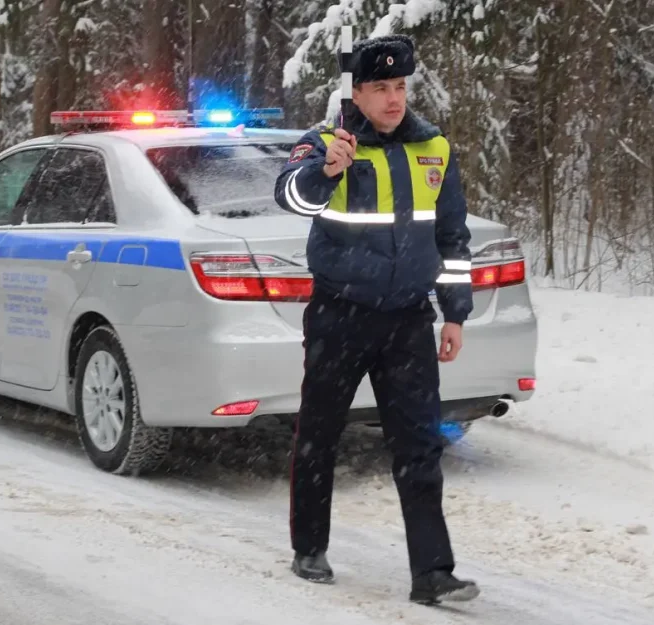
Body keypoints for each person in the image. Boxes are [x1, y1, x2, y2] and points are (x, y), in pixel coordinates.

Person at [273, 34, 480, 605]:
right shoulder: (325, 142)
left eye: (400, 86)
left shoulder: (433, 146)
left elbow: (451, 237)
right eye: (381, 88)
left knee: (420, 446)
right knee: (319, 435)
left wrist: (454, 314)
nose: (394, 99)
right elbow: (292, 196)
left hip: (407, 320)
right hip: (340, 315)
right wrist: (327, 172)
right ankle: (309, 547)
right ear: (356, 94)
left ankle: (432, 574)